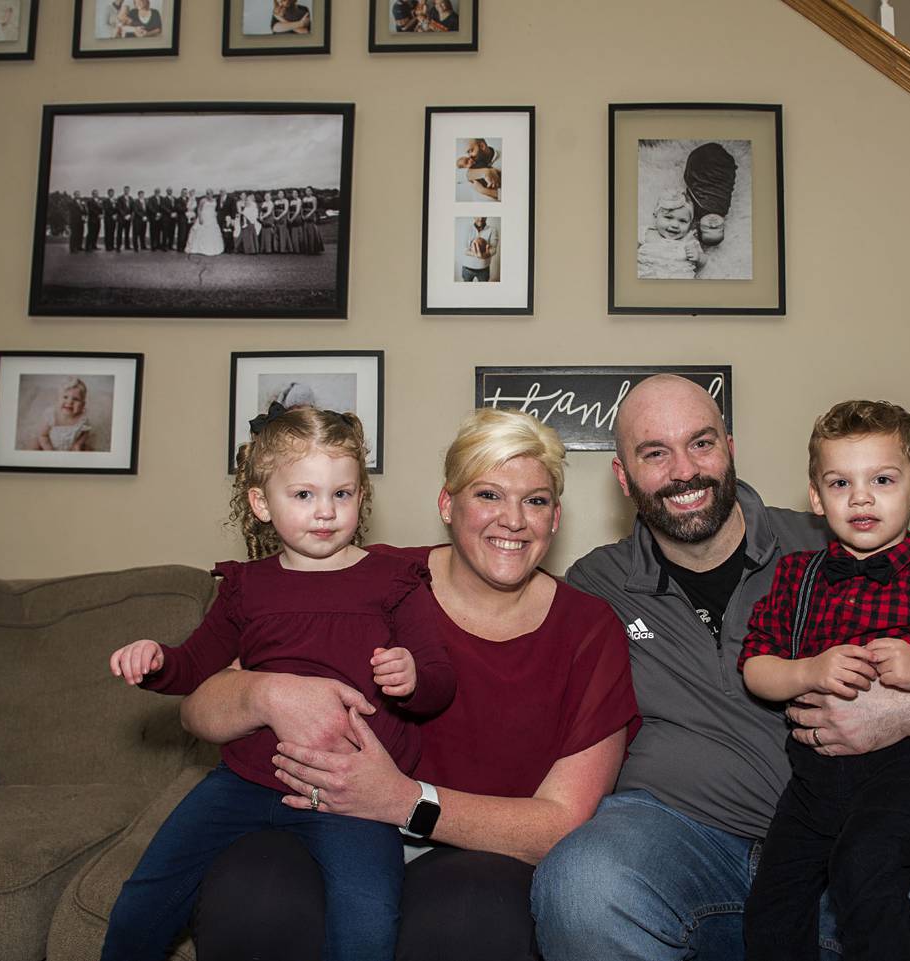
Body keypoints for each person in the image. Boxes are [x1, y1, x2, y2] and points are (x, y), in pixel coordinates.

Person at [530, 373, 910, 961]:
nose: (684, 470)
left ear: (730, 449)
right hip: (677, 835)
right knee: (580, 887)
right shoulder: (598, 585)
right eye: (655, 453)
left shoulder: (839, 542)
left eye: (701, 443)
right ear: (624, 477)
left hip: (855, 825)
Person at [174, 408, 639, 961]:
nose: (513, 519)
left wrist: (403, 800)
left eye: (535, 500)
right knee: (254, 891)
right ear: (448, 504)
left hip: (476, 855)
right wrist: (265, 692)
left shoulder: (588, 628)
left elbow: (561, 823)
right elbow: (197, 709)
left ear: (555, 518)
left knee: (470, 913)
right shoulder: (367, 577)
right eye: (488, 495)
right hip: (320, 823)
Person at [100, 406, 457, 961]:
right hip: (241, 783)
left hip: (350, 794)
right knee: (143, 902)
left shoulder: (395, 583)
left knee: (368, 922)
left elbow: (439, 682)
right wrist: (155, 663)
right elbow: (193, 667)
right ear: (262, 503)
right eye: (304, 495)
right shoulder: (246, 587)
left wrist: (411, 678)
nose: (326, 512)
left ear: (362, 498)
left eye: (343, 494)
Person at [739, 400, 910, 961]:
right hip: (813, 781)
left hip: (908, 777)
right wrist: (808, 670)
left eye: (883, 479)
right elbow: (755, 667)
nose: (861, 497)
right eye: (840, 482)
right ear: (817, 499)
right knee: (772, 906)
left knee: (863, 872)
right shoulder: (798, 577)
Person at [637, 190, 705, 279]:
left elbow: (704, 260)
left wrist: (699, 257)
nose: (675, 225)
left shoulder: (689, 240)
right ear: (655, 215)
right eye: (668, 217)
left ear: (690, 224)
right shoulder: (647, 233)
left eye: (683, 221)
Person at [35, 377, 92, 451]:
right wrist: (49, 450)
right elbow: (43, 435)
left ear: (83, 405)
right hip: (49, 443)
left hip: (71, 446)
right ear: (58, 399)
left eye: (76, 399)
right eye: (65, 397)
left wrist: (78, 443)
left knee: (88, 451)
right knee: (34, 445)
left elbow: (86, 432)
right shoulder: (52, 416)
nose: (70, 402)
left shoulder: (82, 418)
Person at [458, 217, 498, 282]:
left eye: (483, 216)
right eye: (478, 215)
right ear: (474, 216)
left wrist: (485, 255)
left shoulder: (492, 230)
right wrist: (476, 254)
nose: (481, 218)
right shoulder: (467, 228)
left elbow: (493, 249)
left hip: (484, 269)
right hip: (467, 268)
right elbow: (463, 249)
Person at [186, 191, 225, 257]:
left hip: (212, 218)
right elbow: (199, 209)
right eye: (207, 193)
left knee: (212, 233)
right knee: (201, 232)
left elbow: (216, 209)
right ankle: (200, 249)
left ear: (212, 194)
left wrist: (216, 214)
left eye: (210, 193)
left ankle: (212, 248)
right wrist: (200, 218)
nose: (209, 195)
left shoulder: (215, 200)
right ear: (206, 194)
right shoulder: (203, 200)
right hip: (204, 217)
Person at [297, 187, 325, 254]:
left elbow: (314, 208)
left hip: (311, 215)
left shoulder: (314, 198)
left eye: (309, 191)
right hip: (304, 214)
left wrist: (309, 215)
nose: (308, 192)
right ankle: (307, 249)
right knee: (305, 230)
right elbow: (301, 208)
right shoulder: (304, 199)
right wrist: (302, 215)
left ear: (311, 192)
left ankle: (314, 249)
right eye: (306, 191)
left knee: (312, 231)